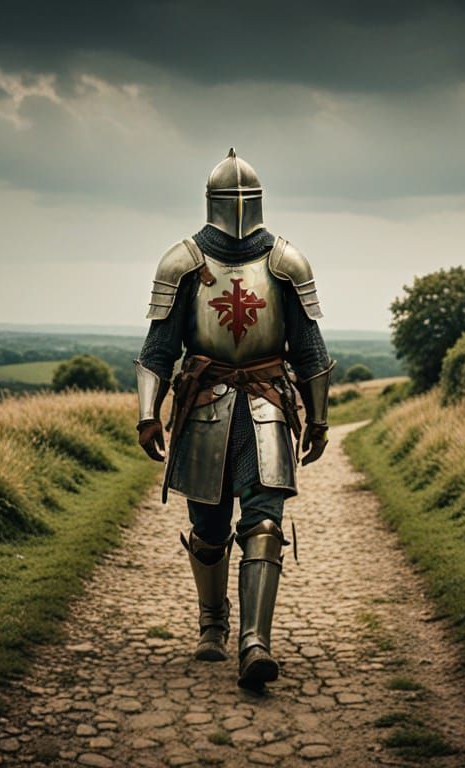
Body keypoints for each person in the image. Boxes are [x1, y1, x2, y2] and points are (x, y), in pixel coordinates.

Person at [134, 148, 333, 689]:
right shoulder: (184, 263)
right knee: (209, 528)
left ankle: (255, 643)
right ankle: (212, 622)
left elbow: (310, 349)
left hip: (267, 405)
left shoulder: (285, 262)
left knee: (264, 524)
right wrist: (147, 414)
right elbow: (158, 348)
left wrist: (318, 419)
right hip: (203, 407)